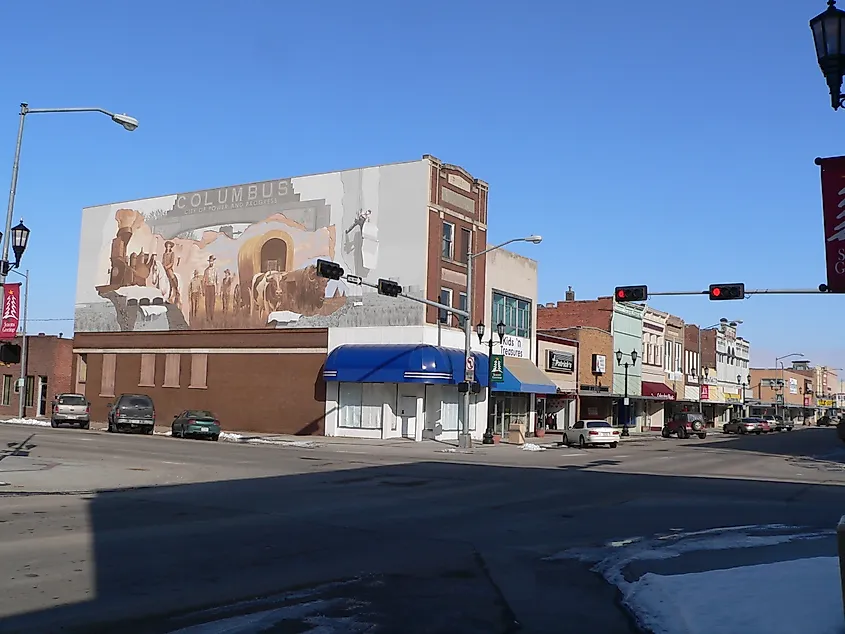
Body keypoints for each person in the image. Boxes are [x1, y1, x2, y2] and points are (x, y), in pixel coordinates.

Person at [202, 255, 219, 322]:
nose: (211, 263)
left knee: (212, 303)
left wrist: (217, 290)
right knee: (207, 303)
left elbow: (217, 281)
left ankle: (211, 316)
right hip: (207, 287)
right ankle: (207, 317)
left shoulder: (215, 270)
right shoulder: (206, 270)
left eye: (212, 261)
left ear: (213, 262)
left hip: (212, 287)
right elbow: (203, 281)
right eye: (210, 261)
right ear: (209, 262)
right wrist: (203, 290)